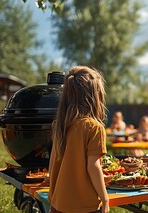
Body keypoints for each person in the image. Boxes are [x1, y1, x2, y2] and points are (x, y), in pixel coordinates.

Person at [49, 66, 109, 213]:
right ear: (95, 96)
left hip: (59, 202)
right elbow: (93, 167)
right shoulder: (94, 127)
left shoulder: (62, 124)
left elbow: (52, 165)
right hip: (84, 206)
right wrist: (105, 199)